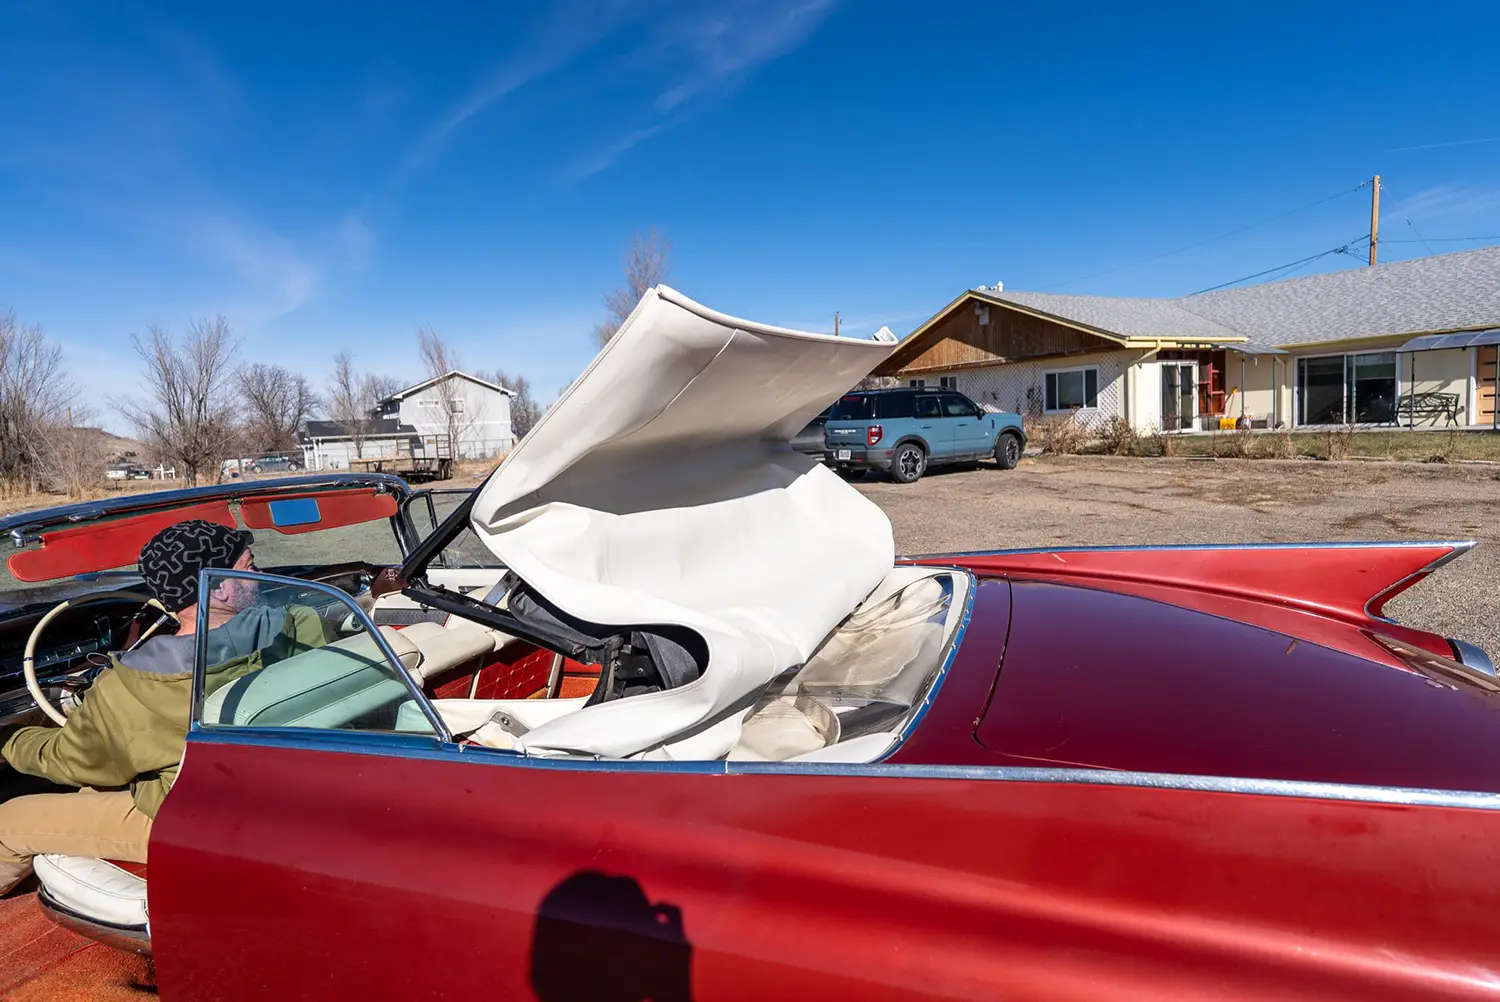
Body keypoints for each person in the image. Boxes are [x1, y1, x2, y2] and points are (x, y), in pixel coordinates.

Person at [0, 519, 328, 895]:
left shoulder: (129, 688)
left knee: (7, 821)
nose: (260, 574)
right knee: (96, 790)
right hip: (293, 801)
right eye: (250, 566)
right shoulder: (299, 627)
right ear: (218, 587)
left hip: (203, 822)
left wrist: (10, 737)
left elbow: (69, 761)